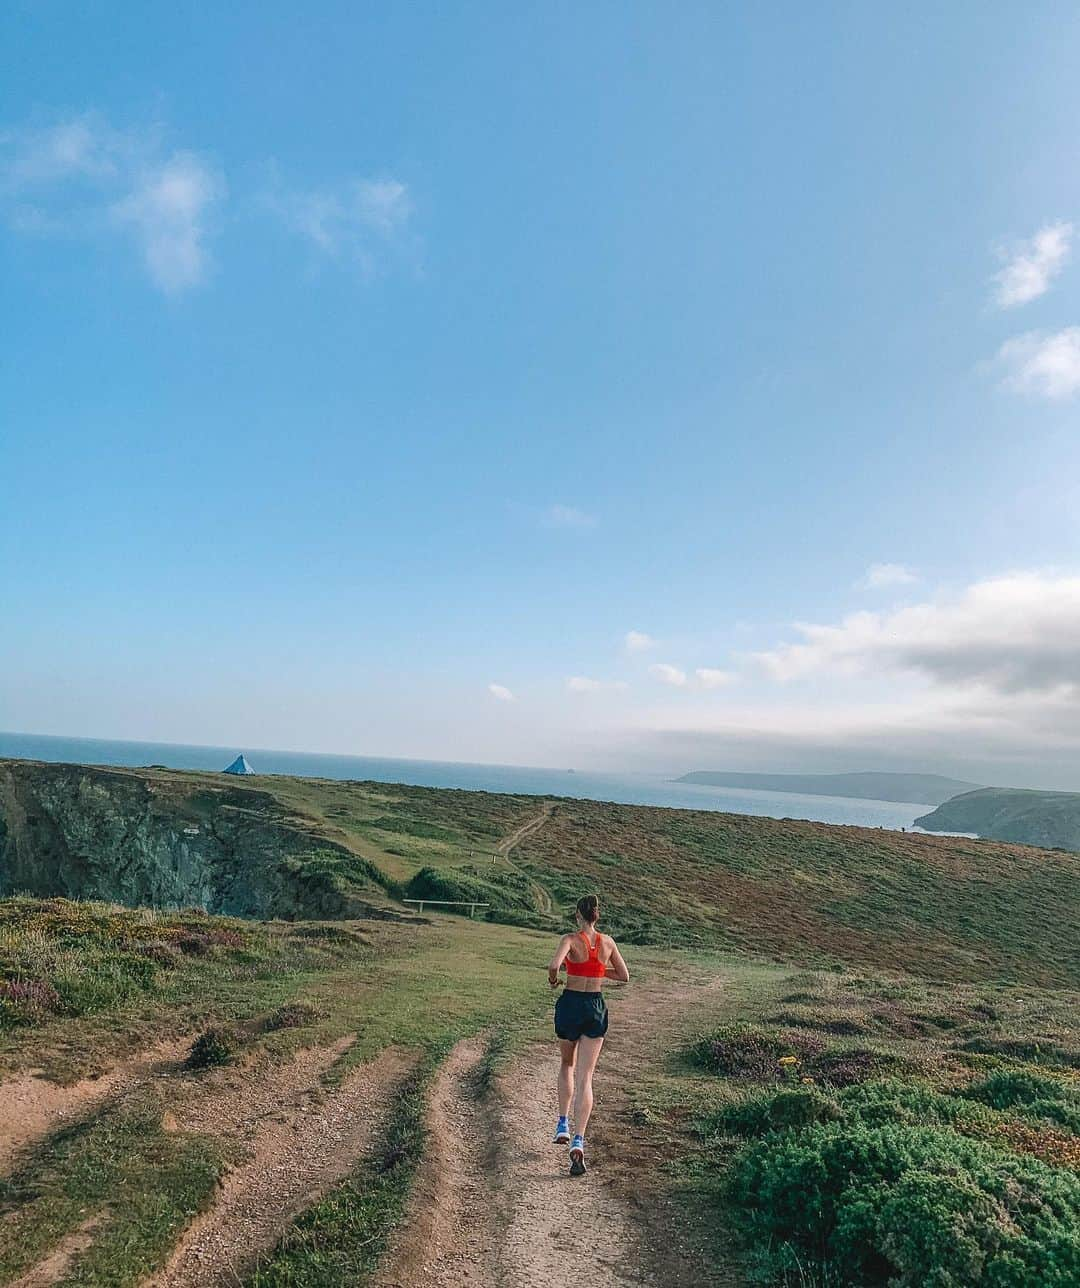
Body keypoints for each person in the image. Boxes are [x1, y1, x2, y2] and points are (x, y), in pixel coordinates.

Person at [547, 893, 630, 1176]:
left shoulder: (570, 940)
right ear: (597, 916)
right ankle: (580, 1140)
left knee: (566, 1065)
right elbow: (624, 976)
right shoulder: (608, 942)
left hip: (571, 1003)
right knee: (586, 1077)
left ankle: (562, 1124)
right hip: (595, 1005)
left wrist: (554, 978)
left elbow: (553, 965)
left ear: (577, 915)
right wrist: (597, 972)